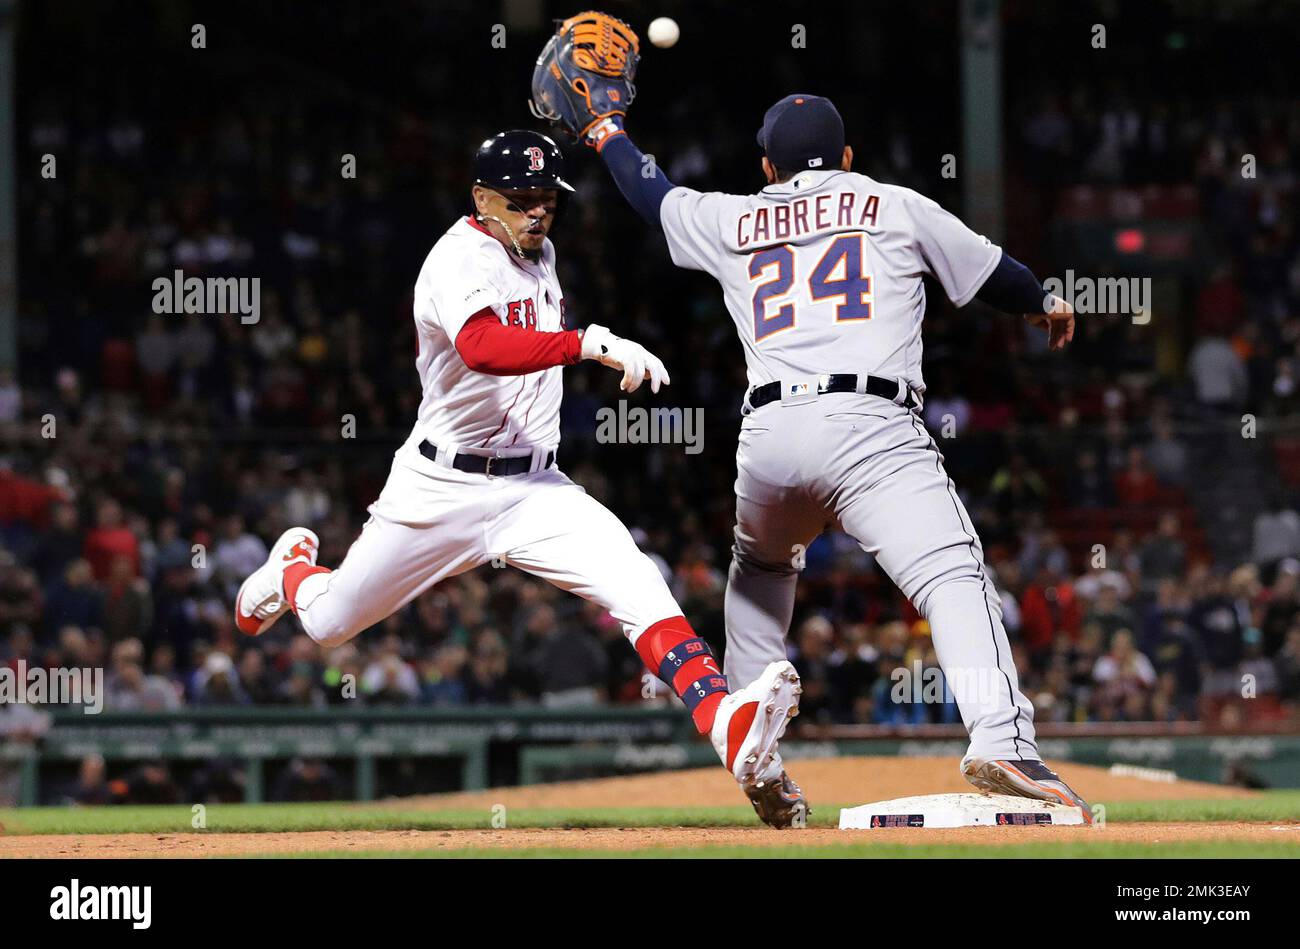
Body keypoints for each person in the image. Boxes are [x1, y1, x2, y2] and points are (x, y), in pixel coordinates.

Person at [530, 17, 1091, 821]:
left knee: (759, 576)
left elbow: (650, 195)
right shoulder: (890, 202)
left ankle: (753, 751)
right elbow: (993, 270)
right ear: (848, 159)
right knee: (952, 577)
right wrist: (1043, 296)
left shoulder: (734, 218)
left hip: (770, 439)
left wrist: (607, 128)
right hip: (872, 429)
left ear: (768, 166)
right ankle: (1001, 739)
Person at [234, 130, 803, 825]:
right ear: (481, 198)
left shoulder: (542, 252)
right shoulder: (456, 256)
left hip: (536, 488)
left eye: (547, 200)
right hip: (440, 487)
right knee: (328, 622)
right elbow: (481, 347)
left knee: (638, 580)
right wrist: (588, 342)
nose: (537, 212)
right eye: (520, 199)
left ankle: (726, 725)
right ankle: (292, 566)